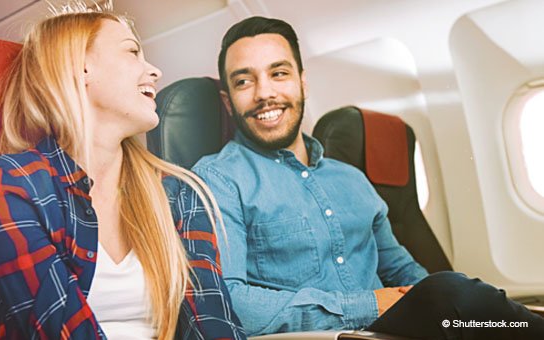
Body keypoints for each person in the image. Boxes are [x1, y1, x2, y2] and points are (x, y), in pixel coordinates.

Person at [192, 16, 544, 339]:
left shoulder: (351, 179)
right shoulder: (218, 179)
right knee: (451, 294)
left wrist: (447, 306)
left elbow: (405, 272)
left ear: (302, 82)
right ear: (227, 101)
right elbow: (229, 302)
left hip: (393, 331)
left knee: (468, 304)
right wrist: (375, 304)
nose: (264, 92)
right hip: (325, 337)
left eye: (279, 73)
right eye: (243, 81)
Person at [0, 3, 245, 339]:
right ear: (79, 68)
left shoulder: (177, 191)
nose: (155, 71)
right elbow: (57, 331)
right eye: (132, 52)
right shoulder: (13, 185)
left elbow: (214, 324)